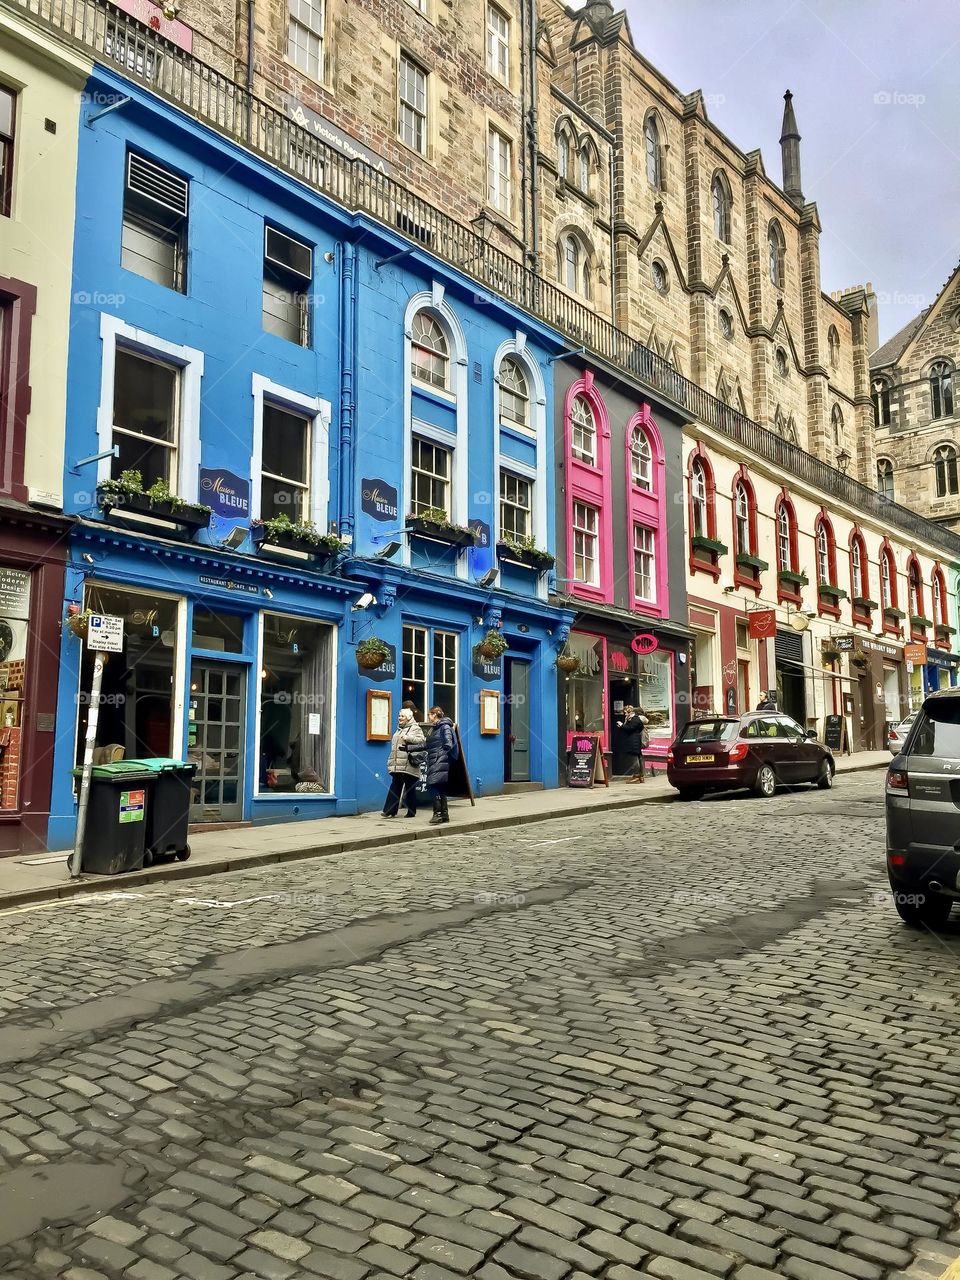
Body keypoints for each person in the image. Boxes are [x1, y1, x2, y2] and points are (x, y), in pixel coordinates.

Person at [381, 707, 426, 818]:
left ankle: (411, 811)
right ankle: (389, 811)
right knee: (395, 786)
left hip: (409, 762)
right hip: (398, 762)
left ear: (408, 718)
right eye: (399, 716)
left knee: (409, 788)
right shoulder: (399, 729)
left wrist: (408, 737)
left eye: (402, 716)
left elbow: (422, 740)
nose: (400, 718)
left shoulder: (415, 728)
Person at [425, 705, 457, 825]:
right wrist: (409, 748)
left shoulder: (444, 727)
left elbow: (448, 744)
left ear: (434, 714)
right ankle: (444, 814)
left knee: (432, 786)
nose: (428, 717)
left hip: (439, 761)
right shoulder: (435, 728)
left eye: (429, 714)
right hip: (437, 760)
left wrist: (439, 755)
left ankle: (437, 814)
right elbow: (427, 745)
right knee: (440, 788)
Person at [615, 704, 649, 782]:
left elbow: (630, 728)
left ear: (629, 712)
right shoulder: (633, 719)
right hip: (635, 740)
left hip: (633, 741)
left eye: (625, 712)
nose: (625, 714)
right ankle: (640, 776)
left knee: (634, 759)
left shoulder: (634, 719)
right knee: (638, 757)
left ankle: (637, 776)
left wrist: (622, 725)